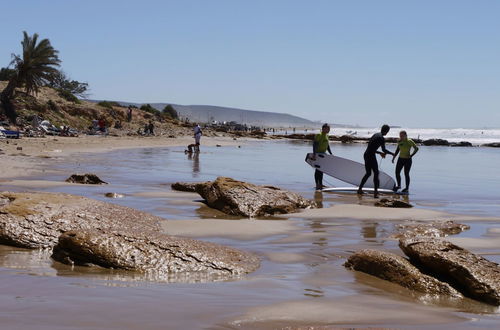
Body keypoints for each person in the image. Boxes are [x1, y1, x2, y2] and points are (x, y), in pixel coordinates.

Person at [357, 124, 395, 198]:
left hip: (366, 154)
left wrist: (380, 153)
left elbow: (371, 148)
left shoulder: (375, 135)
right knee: (376, 173)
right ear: (387, 131)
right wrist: (392, 154)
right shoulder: (382, 138)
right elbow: (384, 150)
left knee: (368, 173)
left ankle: (360, 189)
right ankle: (375, 192)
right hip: (371, 156)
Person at [311, 123, 333, 190]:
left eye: (329, 129)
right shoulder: (319, 135)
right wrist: (314, 154)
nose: (329, 130)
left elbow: (327, 145)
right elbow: (315, 145)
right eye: (327, 128)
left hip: (324, 154)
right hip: (318, 154)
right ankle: (317, 184)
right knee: (318, 170)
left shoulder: (327, 136)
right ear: (323, 128)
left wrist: (331, 154)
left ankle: (320, 184)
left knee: (321, 170)